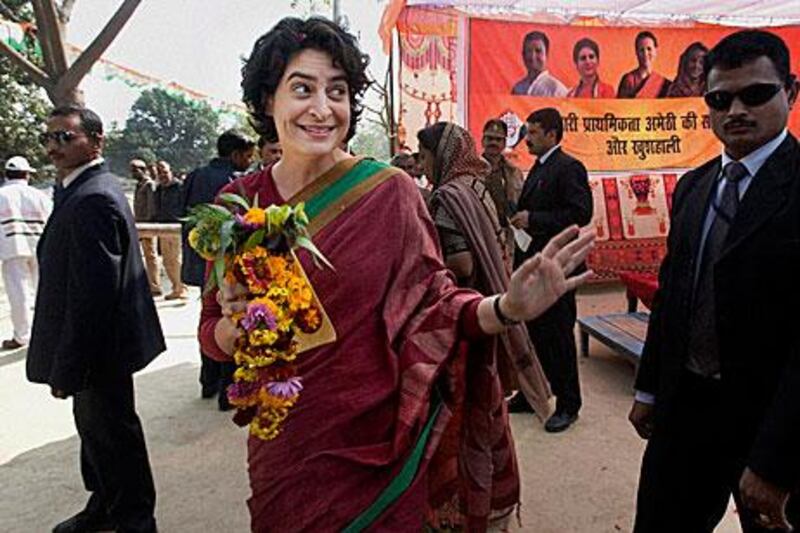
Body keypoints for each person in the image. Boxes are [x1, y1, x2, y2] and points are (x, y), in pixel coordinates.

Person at [198, 17, 594, 532]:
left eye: (336, 91)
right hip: (286, 443)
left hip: (383, 440)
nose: (322, 108)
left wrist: (505, 309)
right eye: (302, 89)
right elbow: (211, 333)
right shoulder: (237, 206)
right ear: (268, 100)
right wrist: (240, 329)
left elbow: (436, 303)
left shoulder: (390, 193)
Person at [629, 29, 800, 532]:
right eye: (721, 99)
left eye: (756, 94)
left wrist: (776, 461)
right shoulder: (694, 187)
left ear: (790, 91)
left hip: (773, 425)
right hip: (686, 413)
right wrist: (648, 390)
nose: (737, 110)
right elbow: (673, 294)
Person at [26, 105, 164, 533]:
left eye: (65, 137)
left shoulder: (95, 197)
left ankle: (135, 520)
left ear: (96, 140)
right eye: (49, 138)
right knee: (94, 432)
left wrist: (69, 364)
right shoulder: (78, 189)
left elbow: (94, 296)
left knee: (114, 435)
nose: (54, 147)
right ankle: (103, 504)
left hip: (98, 348)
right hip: (93, 348)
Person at [418, 122, 552, 527]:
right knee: (487, 402)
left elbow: (462, 264)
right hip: (488, 309)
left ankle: (461, 504)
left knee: (459, 416)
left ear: (440, 155)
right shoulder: (479, 187)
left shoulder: (447, 196)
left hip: (462, 319)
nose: (423, 166)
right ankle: (494, 495)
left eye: (425, 156)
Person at [509, 108, 593, 430]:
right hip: (534, 266)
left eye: (532, 133)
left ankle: (569, 404)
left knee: (557, 336)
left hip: (558, 268)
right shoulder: (540, 167)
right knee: (535, 334)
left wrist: (534, 219)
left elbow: (580, 214)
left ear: (552, 134)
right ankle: (535, 394)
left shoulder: (568, 168)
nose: (526, 139)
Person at [181, 129, 255, 408]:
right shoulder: (235, 185)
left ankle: (206, 383)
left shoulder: (194, 175)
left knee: (207, 319)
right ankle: (228, 393)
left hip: (199, 261)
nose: (249, 161)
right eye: (247, 156)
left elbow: (183, 214)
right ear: (235, 155)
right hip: (226, 266)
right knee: (229, 320)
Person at [0, 156, 51, 350]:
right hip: (40, 247)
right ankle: (45, 332)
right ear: (27, 175)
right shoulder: (39, 196)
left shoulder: (2, 195)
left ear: (6, 174)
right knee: (43, 291)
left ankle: (22, 336)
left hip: (12, 248)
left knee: (18, 294)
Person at [153, 160, 186, 300]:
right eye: (159, 173)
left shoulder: (179, 187)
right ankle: (176, 287)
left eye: (165, 172)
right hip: (162, 227)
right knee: (167, 261)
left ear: (170, 171)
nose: (163, 175)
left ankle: (180, 288)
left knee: (176, 259)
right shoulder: (159, 189)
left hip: (176, 227)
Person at [131, 158, 161, 295]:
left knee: (151, 255)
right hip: (140, 223)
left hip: (147, 225)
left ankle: (155, 286)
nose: (132, 173)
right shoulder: (139, 185)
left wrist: (147, 224)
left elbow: (151, 207)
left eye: (134, 170)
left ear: (142, 170)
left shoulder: (148, 184)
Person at [511, 30, 568, 97]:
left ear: (546, 54)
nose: (533, 56)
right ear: (523, 55)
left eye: (538, 51)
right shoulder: (518, 89)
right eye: (529, 51)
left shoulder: (557, 89)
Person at [617, 31, 672, 98]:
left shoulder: (664, 83)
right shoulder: (629, 80)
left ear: (655, 51)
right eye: (641, 50)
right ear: (636, 52)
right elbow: (620, 106)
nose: (645, 54)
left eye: (649, 49)